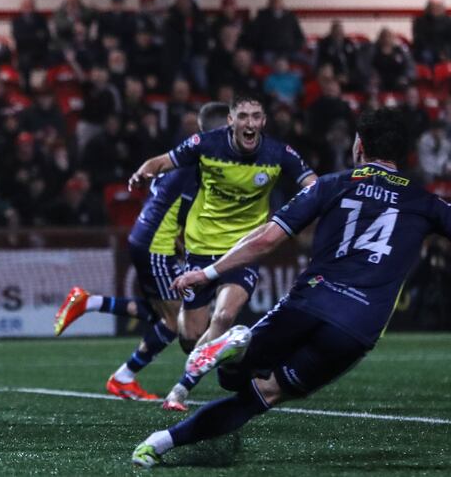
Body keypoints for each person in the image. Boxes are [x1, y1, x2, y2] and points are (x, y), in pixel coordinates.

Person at [131, 107, 451, 468]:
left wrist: (206, 274)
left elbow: (266, 240)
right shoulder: (427, 203)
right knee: (263, 394)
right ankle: (158, 445)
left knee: (230, 377)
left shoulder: (331, 184)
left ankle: (234, 346)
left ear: (359, 146)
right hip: (359, 326)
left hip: (310, 301)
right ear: (405, 154)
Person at [128, 93, 316, 411]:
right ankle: (232, 352)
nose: (250, 123)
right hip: (201, 248)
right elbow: (163, 161)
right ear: (231, 120)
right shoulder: (206, 144)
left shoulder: (278, 153)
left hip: (244, 249)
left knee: (225, 316)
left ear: (263, 122)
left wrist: (298, 212)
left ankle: (180, 391)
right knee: (190, 337)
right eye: (243, 117)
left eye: (256, 117)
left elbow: (313, 185)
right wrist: (143, 171)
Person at [54, 103, 230, 400]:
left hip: (148, 236)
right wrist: (186, 245)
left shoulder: (182, 156)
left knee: (166, 311)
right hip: (155, 245)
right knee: (175, 322)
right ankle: (124, 376)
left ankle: (90, 302)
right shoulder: (200, 163)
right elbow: (186, 210)